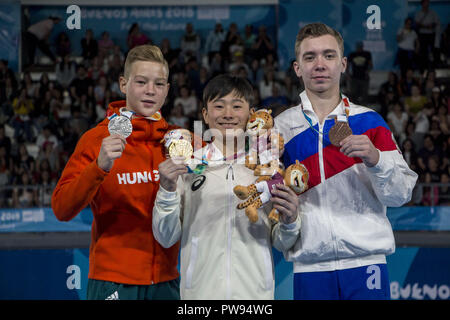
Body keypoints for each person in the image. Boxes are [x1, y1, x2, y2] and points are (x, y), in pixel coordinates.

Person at [274, 23, 418, 300]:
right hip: (310, 267)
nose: (319, 64)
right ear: (297, 68)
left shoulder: (369, 121)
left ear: (343, 64)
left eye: (328, 56)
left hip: (367, 264)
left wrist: (376, 159)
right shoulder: (280, 129)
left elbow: (401, 194)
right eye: (310, 57)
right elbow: (273, 201)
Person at [152, 74, 301, 300]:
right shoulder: (188, 167)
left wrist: (290, 220)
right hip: (199, 297)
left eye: (237, 106)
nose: (228, 114)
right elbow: (165, 236)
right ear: (205, 114)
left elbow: (281, 241)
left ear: (251, 114)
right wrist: (166, 188)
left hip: (255, 297)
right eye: (219, 106)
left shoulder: (267, 168)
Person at [51, 45, 180, 300]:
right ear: (123, 83)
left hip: (166, 282)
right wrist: (98, 168)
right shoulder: (96, 139)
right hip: (113, 282)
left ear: (167, 89)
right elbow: (61, 209)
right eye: (141, 82)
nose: (150, 90)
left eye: (159, 83)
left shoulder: (179, 142)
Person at [414, 0, 441, 70]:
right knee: (423, 51)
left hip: (431, 34)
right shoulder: (418, 13)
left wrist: (431, 26)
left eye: (428, 2)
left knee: (434, 50)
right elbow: (417, 24)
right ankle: (423, 66)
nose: (427, 4)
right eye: (425, 2)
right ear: (422, 4)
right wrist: (425, 26)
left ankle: (435, 65)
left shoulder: (432, 12)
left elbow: (436, 22)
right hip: (422, 34)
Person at [347, 41, 373, 105]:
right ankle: (353, 110)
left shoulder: (367, 54)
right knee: (353, 95)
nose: (359, 48)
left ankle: (364, 110)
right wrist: (348, 74)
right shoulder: (352, 54)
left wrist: (367, 71)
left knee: (364, 95)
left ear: (362, 47)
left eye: (360, 47)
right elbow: (347, 65)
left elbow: (371, 65)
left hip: (364, 77)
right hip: (354, 78)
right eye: (358, 47)